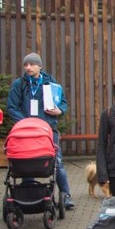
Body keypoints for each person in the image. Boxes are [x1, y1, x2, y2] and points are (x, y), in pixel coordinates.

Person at [6, 53, 74, 208]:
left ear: (40, 66)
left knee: (57, 163)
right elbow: (12, 107)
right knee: (27, 162)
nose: (28, 67)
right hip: (27, 132)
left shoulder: (51, 83)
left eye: (31, 64)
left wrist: (60, 111)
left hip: (48, 131)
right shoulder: (19, 84)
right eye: (26, 65)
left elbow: (63, 103)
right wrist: (26, 122)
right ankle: (28, 195)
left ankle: (66, 195)